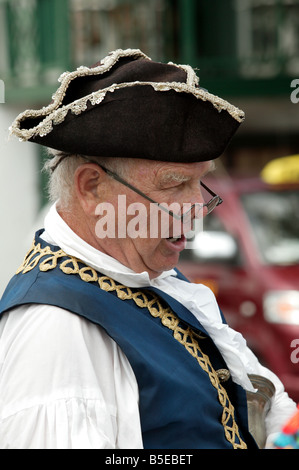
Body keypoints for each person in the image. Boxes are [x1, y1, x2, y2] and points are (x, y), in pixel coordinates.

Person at [0, 48, 296, 449]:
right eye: (173, 184)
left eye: (200, 182)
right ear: (92, 188)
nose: (196, 211)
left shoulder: (154, 279)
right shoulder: (57, 329)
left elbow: (268, 418)